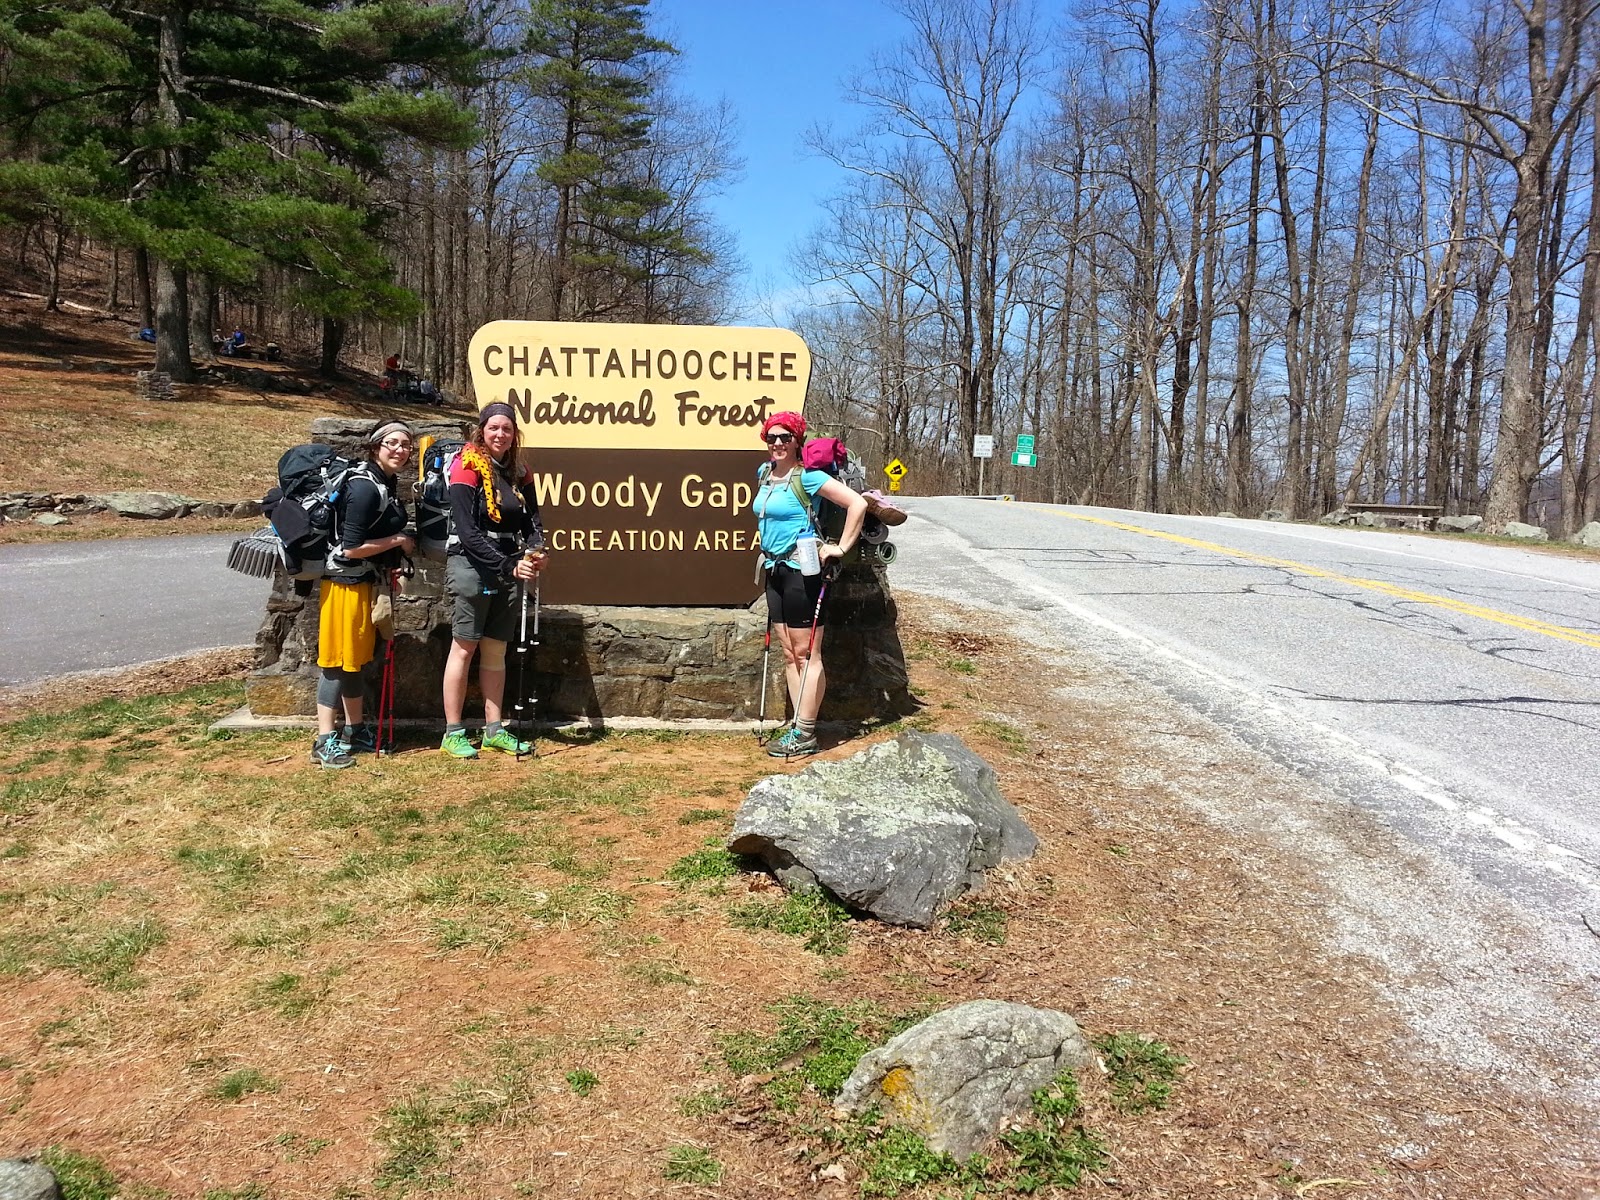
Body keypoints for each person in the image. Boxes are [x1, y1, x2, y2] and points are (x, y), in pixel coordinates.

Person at [751, 411, 867, 758]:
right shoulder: (764, 474)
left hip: (803, 572)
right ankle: (798, 726)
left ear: (797, 441)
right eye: (771, 437)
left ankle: (806, 732)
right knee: (789, 653)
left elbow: (857, 503)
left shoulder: (810, 477)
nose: (777, 443)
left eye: (784, 437)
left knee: (806, 653)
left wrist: (839, 548)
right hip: (774, 569)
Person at [441, 401, 548, 758]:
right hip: (472, 564)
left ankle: (494, 729)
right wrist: (507, 566)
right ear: (482, 430)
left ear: (515, 434)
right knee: (464, 646)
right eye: (494, 428)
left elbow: (532, 521)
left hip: (509, 564)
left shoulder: (519, 471)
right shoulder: (467, 466)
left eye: (507, 428)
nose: (500, 434)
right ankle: (453, 732)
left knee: (496, 648)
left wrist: (537, 551)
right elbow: (467, 531)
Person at [311, 420, 416, 768]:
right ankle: (324, 740)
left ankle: (353, 730)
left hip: (362, 582)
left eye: (406, 445)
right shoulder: (364, 487)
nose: (400, 450)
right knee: (335, 662)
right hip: (343, 584)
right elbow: (351, 547)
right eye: (392, 443)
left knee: (354, 659)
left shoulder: (383, 482)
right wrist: (399, 541)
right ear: (375, 447)